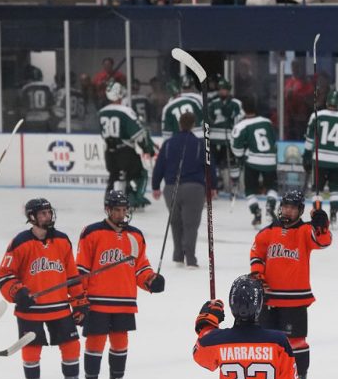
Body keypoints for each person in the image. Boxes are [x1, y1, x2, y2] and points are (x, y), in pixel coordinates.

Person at [0, 198, 87, 379]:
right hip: (31, 310)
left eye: (49, 212)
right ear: (32, 218)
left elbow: (72, 276)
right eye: (43, 214)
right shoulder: (20, 243)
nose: (48, 217)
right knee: (32, 350)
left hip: (59, 307)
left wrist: (79, 303)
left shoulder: (63, 240)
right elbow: (4, 276)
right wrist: (17, 292)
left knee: (72, 346)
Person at [76, 190, 164, 379]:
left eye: (124, 210)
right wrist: (80, 300)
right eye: (117, 210)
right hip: (98, 300)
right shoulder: (92, 232)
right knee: (95, 341)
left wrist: (151, 281)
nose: (121, 214)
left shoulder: (135, 235)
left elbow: (140, 268)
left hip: (124, 299)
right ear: (108, 210)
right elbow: (81, 270)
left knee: (120, 341)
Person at [250, 189, 331, 379]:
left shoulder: (305, 231)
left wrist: (321, 224)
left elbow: (323, 241)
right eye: (285, 206)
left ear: (300, 211)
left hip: (296, 299)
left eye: (293, 208)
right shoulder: (267, 233)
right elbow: (256, 255)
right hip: (269, 298)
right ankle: (272, 378)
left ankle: (300, 378)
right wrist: (258, 276)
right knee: (269, 342)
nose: (288, 210)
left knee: (296, 342)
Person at [152, 112, 215, 268]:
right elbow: (209, 166)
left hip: (171, 188)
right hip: (194, 188)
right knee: (190, 224)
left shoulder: (168, 143)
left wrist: (155, 186)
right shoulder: (201, 144)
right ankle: (191, 259)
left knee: (175, 222)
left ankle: (178, 255)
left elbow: (159, 165)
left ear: (179, 124)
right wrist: (212, 186)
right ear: (194, 125)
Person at [98, 81, 155, 208]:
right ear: (119, 94)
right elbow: (139, 134)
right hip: (125, 152)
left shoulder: (101, 112)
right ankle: (136, 198)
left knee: (115, 176)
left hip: (109, 153)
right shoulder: (125, 111)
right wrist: (147, 148)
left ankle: (110, 201)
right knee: (141, 174)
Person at [302, 88, 338, 223]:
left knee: (317, 189)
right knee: (335, 188)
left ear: (326, 102)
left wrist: (306, 156)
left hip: (320, 159)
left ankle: (318, 215)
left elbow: (309, 139)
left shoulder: (316, 115)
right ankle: (334, 213)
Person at [231, 97, 279, 226]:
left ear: (243, 110)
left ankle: (256, 212)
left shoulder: (241, 125)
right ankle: (270, 207)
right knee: (272, 187)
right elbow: (273, 140)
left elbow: (236, 146)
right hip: (270, 160)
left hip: (253, 161)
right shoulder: (267, 122)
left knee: (250, 189)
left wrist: (240, 157)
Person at [208, 77, 243, 192]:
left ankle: (234, 183)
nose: (222, 91)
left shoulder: (236, 103)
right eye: (220, 89)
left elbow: (239, 118)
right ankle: (217, 182)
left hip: (229, 139)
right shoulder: (213, 103)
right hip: (214, 139)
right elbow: (208, 117)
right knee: (214, 162)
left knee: (231, 161)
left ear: (229, 90)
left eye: (224, 89)